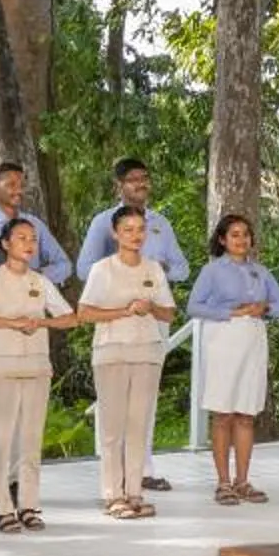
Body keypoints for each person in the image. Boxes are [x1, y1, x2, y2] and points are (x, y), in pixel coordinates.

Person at [75, 158, 190, 490]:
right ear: (119, 185)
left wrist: (156, 270)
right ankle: (113, 476)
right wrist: (122, 272)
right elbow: (84, 269)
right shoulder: (103, 223)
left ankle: (143, 470)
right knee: (112, 404)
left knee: (144, 400)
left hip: (153, 317)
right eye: (133, 179)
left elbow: (181, 268)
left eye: (145, 177)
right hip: (115, 320)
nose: (140, 183)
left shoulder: (161, 224)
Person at [0, 214, 75, 534]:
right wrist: (10, 323)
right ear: (5, 244)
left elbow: (69, 318)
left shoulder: (40, 282)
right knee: (0, 442)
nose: (29, 244)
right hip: (0, 368)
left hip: (36, 369)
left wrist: (41, 322)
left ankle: (28, 505)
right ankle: (3, 508)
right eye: (21, 238)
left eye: (33, 240)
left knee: (30, 442)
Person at [185, 212, 279, 504]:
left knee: (245, 415)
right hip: (223, 343)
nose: (241, 239)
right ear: (222, 239)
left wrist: (265, 308)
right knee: (224, 414)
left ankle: (242, 481)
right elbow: (194, 306)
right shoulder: (212, 271)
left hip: (253, 344)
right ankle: (223, 483)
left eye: (245, 234)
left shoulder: (261, 272)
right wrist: (232, 312)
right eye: (234, 234)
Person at [77, 208, 176, 518]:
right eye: (128, 229)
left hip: (147, 352)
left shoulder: (153, 269)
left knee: (138, 424)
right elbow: (84, 313)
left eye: (140, 229)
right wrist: (125, 311)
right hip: (111, 352)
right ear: (115, 233)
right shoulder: (102, 269)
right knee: (112, 427)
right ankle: (113, 494)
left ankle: (134, 492)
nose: (136, 235)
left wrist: (150, 308)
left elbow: (169, 313)